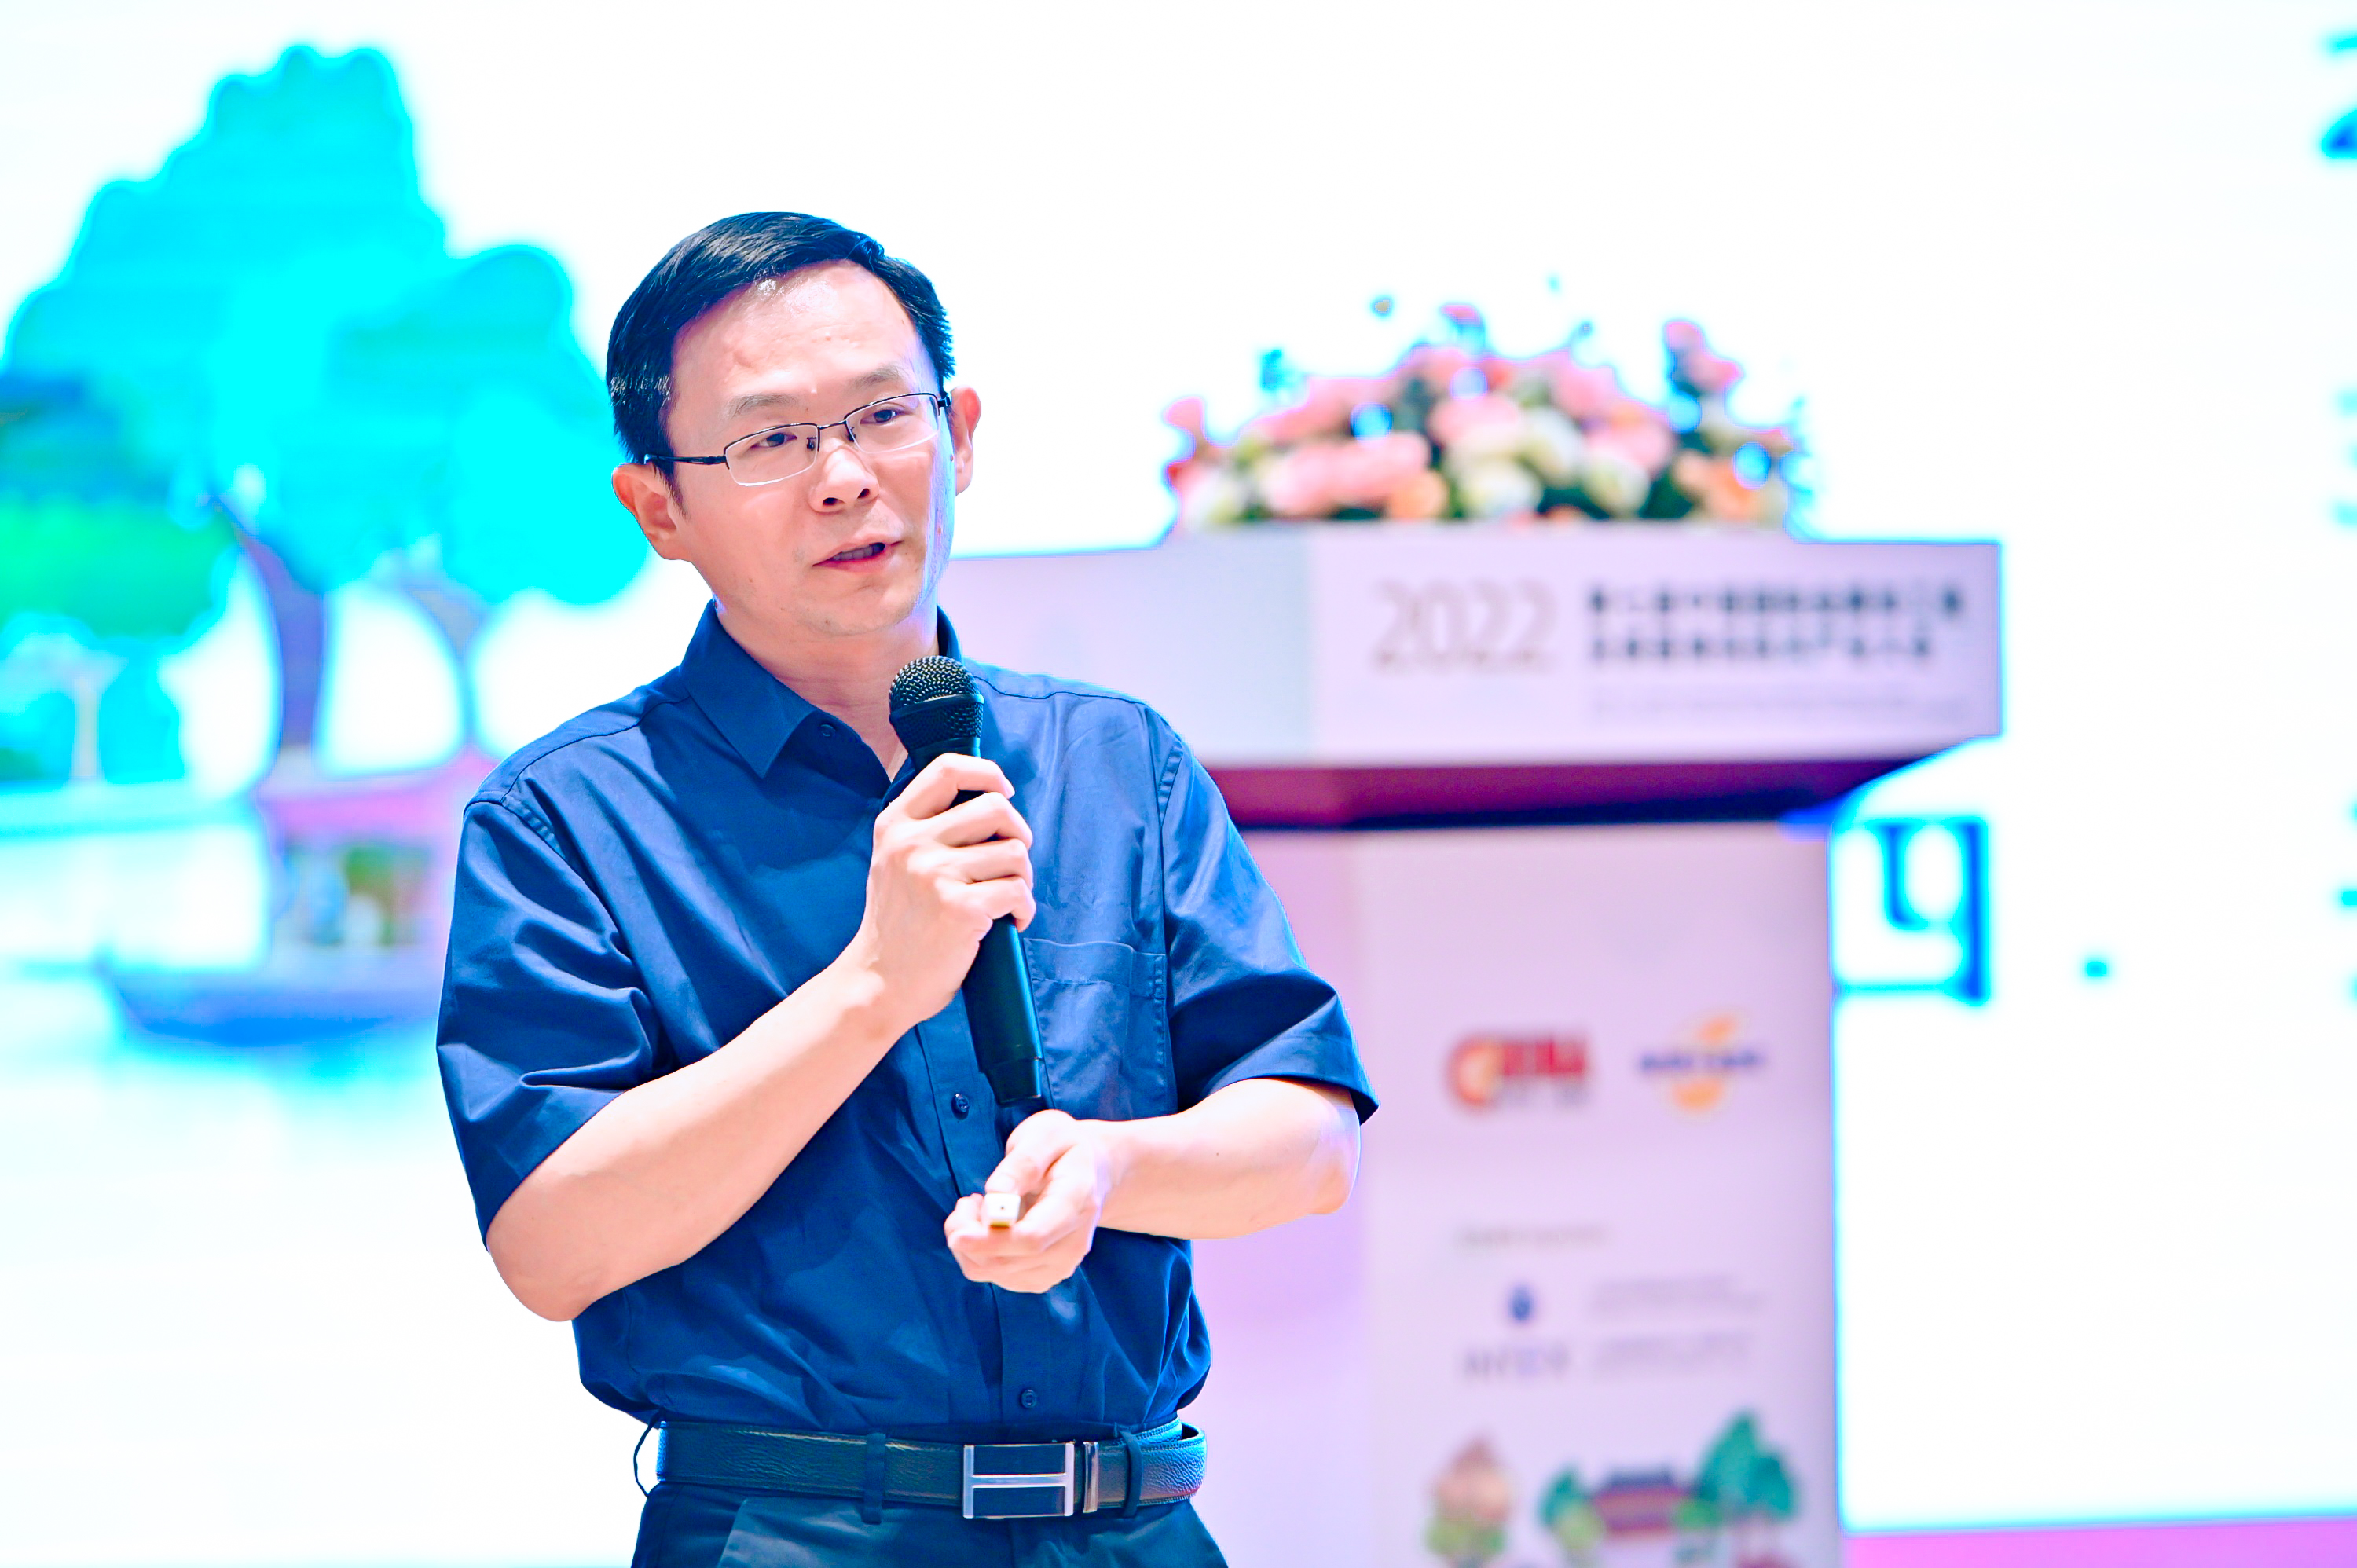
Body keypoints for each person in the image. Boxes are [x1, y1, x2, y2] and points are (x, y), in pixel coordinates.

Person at [434, 211, 1376, 1567]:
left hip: (1137, 1525)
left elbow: (1310, 1145)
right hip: (791, 1530)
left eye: (883, 415)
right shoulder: (566, 817)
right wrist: (877, 985)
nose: (844, 478)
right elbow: (552, 1244)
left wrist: (1110, 1167)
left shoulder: (1116, 761)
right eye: (768, 440)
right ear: (659, 510)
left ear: (962, 434)